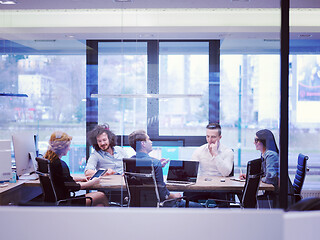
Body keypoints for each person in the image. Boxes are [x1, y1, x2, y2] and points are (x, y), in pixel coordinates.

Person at [128, 130, 203, 208]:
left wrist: (158, 166)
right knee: (199, 207)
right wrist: (174, 196)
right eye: (148, 139)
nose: (151, 142)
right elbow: (163, 195)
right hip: (161, 205)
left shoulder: (130, 162)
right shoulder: (155, 163)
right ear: (143, 144)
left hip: (140, 204)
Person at [43, 131, 109, 206]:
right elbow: (73, 187)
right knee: (101, 196)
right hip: (65, 203)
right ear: (62, 148)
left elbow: (61, 179)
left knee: (99, 205)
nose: (69, 149)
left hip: (55, 201)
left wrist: (81, 179)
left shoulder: (49, 160)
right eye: (68, 146)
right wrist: (92, 182)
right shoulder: (60, 164)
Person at [239, 129, 294, 208]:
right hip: (276, 195)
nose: (254, 143)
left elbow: (270, 178)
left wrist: (259, 179)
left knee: (249, 202)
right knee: (250, 200)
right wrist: (249, 177)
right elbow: (267, 174)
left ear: (264, 141)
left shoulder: (270, 155)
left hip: (281, 197)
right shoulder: (265, 154)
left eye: (256, 140)